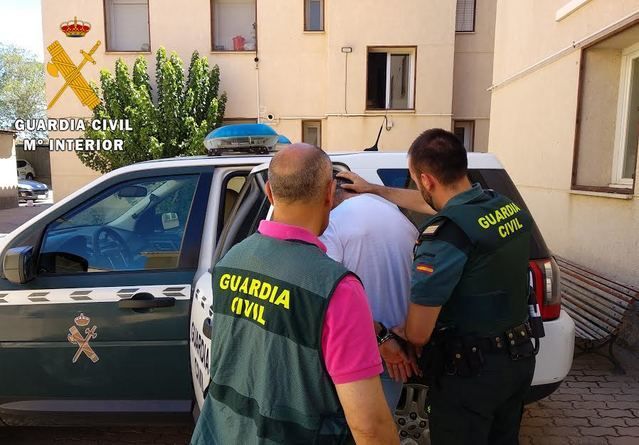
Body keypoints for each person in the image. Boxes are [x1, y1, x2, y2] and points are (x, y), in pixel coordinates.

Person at [191, 144, 399, 445]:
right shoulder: (336, 289)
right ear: (330, 193)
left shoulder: (231, 261)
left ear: (271, 195)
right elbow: (370, 428)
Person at [339, 129, 536, 445]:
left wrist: (396, 332)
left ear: (427, 180)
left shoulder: (443, 239)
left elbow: (419, 334)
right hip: (518, 360)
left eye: (417, 180)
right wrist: (374, 190)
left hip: (472, 375)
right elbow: (441, 205)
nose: (418, 187)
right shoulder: (502, 207)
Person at [320, 175, 422, 410]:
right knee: (382, 423)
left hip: (366, 344)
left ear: (329, 194)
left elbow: (329, 295)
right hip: (402, 341)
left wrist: (381, 338)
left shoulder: (332, 223)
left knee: (359, 428)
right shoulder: (395, 213)